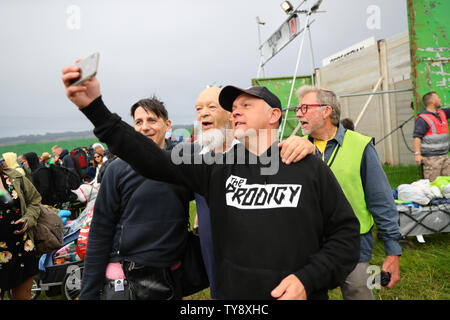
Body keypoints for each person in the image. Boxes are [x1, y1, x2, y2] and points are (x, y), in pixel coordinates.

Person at [62, 67, 360, 300]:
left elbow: (345, 235)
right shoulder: (216, 168)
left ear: (274, 115)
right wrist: (94, 108)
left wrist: (308, 279)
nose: (236, 111)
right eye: (234, 106)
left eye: (246, 104)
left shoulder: (307, 166)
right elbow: (151, 158)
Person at [190, 86, 316, 298]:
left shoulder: (250, 154)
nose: (203, 113)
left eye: (212, 107)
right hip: (215, 258)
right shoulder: (197, 157)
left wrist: (307, 146)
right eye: (198, 108)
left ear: (231, 116)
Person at [79, 96, 194, 300]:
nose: (144, 127)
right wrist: (89, 293)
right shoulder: (116, 170)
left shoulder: (182, 165)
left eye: (151, 120)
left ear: (167, 125)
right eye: (138, 122)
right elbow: (100, 229)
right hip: (126, 280)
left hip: (171, 277)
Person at [295, 86, 402, 299]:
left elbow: (381, 200)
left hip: (354, 242)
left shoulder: (360, 145)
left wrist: (392, 250)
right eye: (298, 108)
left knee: (358, 291)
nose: (298, 114)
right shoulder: (296, 148)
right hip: (309, 243)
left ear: (326, 111)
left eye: (305, 108)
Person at [0, 165, 42, 300]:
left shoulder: (14, 176)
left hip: (21, 246)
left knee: (24, 297)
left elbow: (35, 200)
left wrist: (28, 219)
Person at [413, 91, 450, 182]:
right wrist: (418, 154)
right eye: (438, 98)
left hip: (445, 156)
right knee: (433, 185)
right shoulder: (423, 119)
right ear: (432, 101)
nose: (440, 99)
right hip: (431, 159)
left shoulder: (442, 114)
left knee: (447, 184)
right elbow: (417, 137)